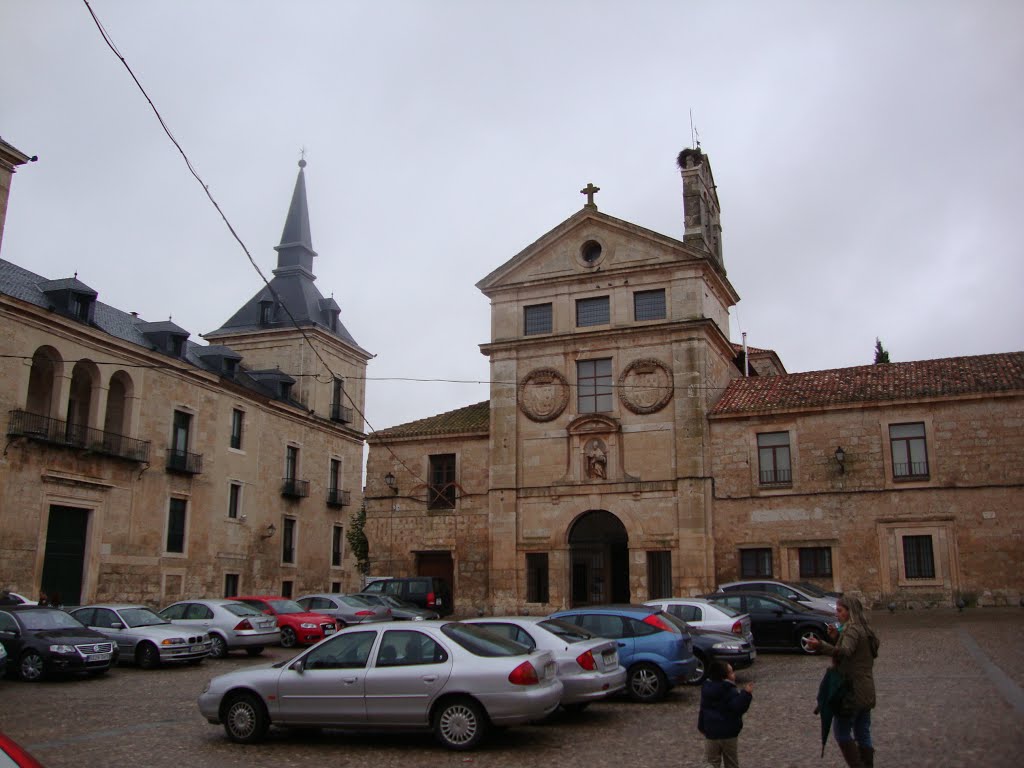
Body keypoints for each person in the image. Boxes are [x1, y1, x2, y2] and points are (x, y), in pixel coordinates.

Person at [807, 595, 880, 767]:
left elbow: (846, 652)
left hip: (851, 691)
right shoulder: (864, 629)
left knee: (842, 733)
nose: (836, 614)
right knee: (862, 732)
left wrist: (821, 646)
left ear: (849, 612)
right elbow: (855, 653)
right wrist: (835, 638)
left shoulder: (852, 630)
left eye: (840, 611)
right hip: (866, 689)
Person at [697, 660, 754, 768]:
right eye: (731, 672)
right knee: (731, 762)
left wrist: (701, 726)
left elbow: (703, 709)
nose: (734, 674)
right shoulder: (729, 690)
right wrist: (746, 693)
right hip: (728, 733)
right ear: (724, 677)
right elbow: (738, 707)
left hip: (711, 732)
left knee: (712, 762)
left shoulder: (706, 689)